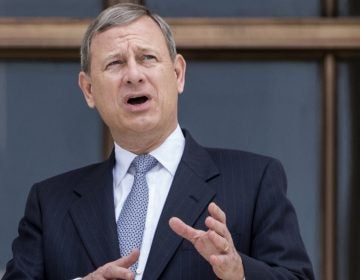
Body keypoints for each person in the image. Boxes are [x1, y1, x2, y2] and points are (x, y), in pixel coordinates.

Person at [3, 3, 314, 280]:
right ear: (88, 90)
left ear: (177, 74)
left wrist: (238, 271)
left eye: (147, 57)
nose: (133, 75)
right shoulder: (50, 203)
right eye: (115, 64)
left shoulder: (255, 181)